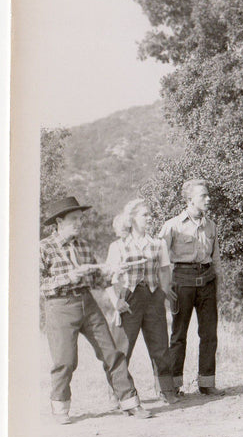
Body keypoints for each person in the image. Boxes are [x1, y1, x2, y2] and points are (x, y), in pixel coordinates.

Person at [39, 196, 153, 423]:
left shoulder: (83, 246)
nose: (79, 224)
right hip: (59, 307)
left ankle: (130, 403)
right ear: (59, 222)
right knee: (66, 361)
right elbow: (37, 285)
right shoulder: (44, 248)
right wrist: (67, 277)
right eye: (74, 220)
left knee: (112, 353)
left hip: (87, 303)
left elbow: (98, 280)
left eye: (81, 219)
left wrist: (114, 271)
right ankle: (60, 408)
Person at [105, 199, 179, 405]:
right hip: (129, 299)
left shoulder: (158, 244)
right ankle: (117, 392)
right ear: (131, 219)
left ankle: (165, 389)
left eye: (150, 215)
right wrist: (116, 303)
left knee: (160, 345)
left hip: (154, 298)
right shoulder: (118, 246)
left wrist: (164, 292)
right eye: (144, 215)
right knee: (122, 347)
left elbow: (164, 270)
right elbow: (108, 278)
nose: (149, 219)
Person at [159, 179, 222, 396]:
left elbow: (216, 260)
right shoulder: (172, 225)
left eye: (208, 195)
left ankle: (206, 382)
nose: (208, 199)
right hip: (182, 282)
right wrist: (165, 286)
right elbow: (159, 258)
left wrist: (217, 286)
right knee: (178, 335)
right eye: (203, 196)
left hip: (207, 282)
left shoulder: (211, 226)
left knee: (209, 334)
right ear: (189, 200)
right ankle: (174, 385)